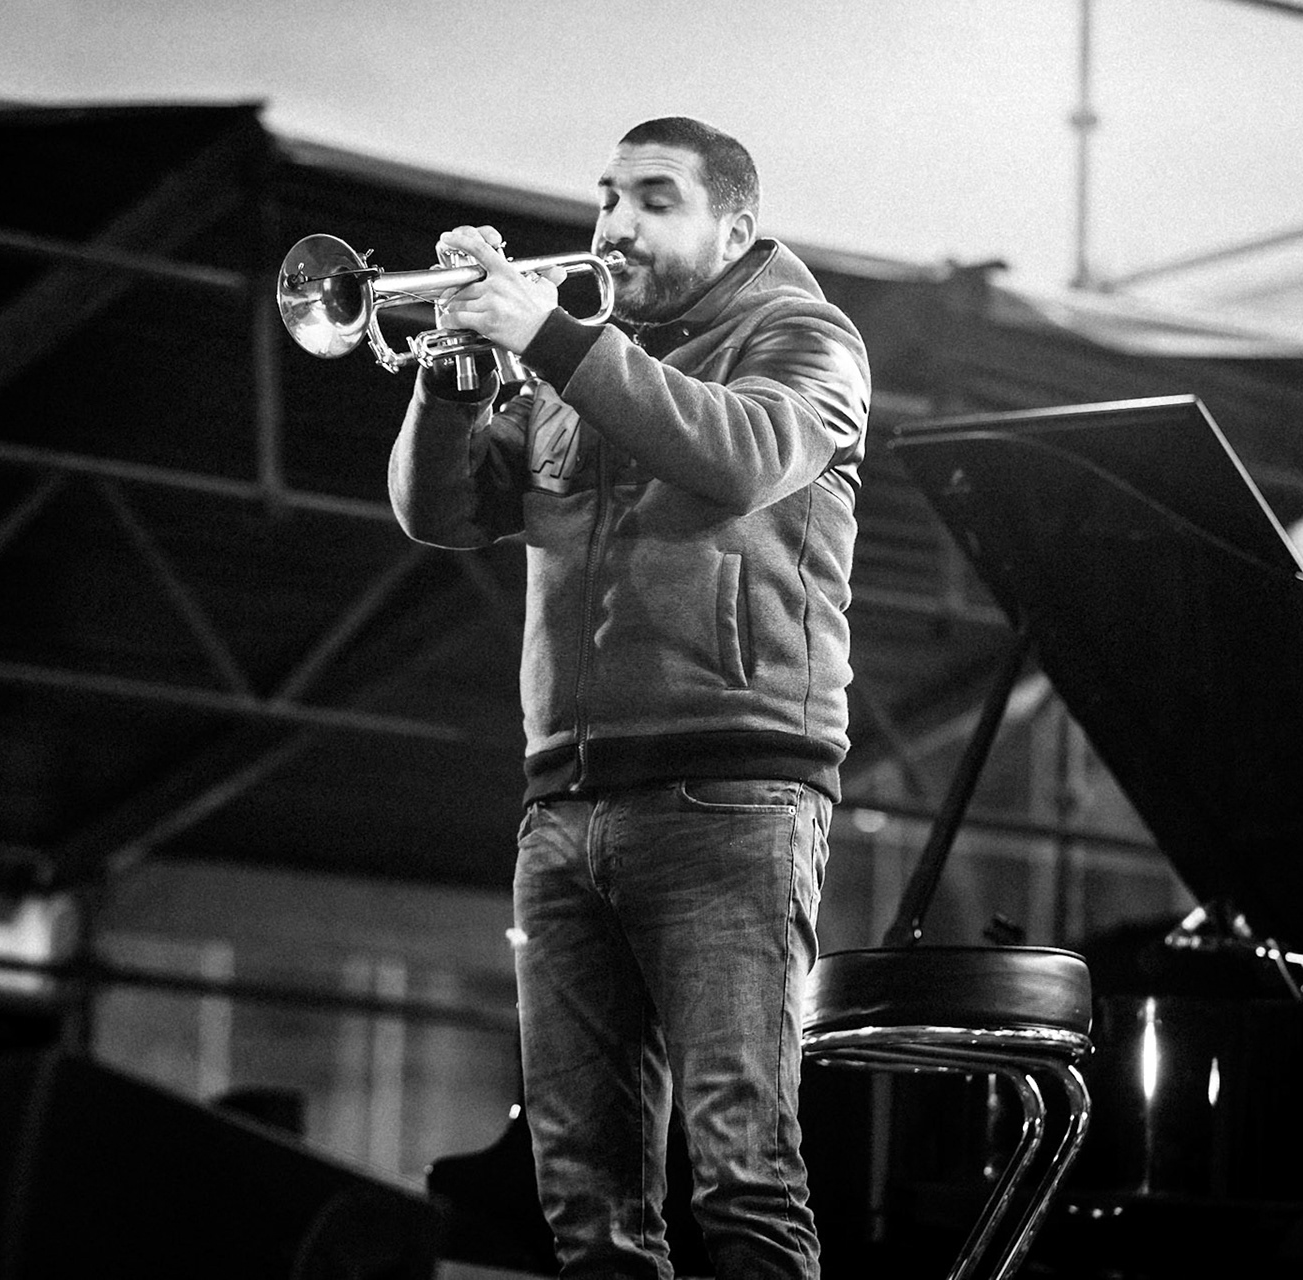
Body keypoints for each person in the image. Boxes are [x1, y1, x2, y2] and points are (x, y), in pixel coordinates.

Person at [388, 115, 870, 1280]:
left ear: (734, 225)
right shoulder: (583, 355)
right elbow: (438, 514)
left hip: (732, 795)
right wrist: (456, 380)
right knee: (586, 1204)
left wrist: (547, 337)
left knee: (743, 1174)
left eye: (655, 199)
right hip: (563, 803)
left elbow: (742, 456)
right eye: (609, 196)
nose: (615, 224)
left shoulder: (805, 338)